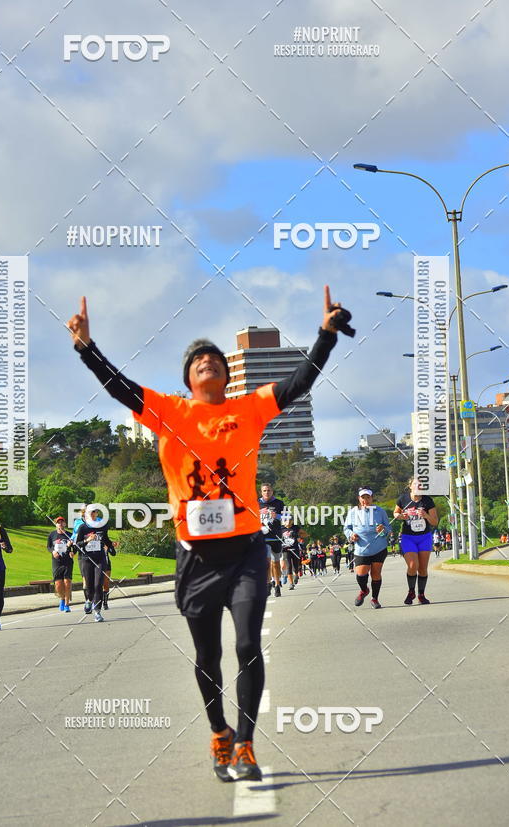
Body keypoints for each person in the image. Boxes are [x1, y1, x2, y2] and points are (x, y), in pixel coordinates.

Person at [67, 286, 347, 782]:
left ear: (227, 373)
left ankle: (245, 744)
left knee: (247, 645)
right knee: (207, 655)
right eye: (197, 359)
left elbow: (300, 380)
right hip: (195, 556)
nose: (206, 360)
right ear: (187, 378)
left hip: (245, 550)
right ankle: (219, 731)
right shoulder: (169, 412)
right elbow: (118, 386)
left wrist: (325, 335)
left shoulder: (250, 408)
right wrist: (86, 347)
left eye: (214, 357)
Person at [394, 478, 438, 605]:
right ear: (410, 486)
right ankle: (411, 591)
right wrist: (400, 516)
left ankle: (421, 595)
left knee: (423, 569)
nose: (418, 486)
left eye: (421, 485)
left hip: (424, 537)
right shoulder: (403, 499)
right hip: (408, 537)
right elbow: (396, 513)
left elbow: (435, 522)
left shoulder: (427, 501)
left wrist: (426, 515)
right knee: (413, 565)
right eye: (416, 484)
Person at [343, 489, 390, 609]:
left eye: (368, 497)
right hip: (361, 549)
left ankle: (375, 599)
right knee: (361, 574)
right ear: (359, 499)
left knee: (376, 573)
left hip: (379, 547)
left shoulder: (380, 511)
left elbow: (389, 528)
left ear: (372, 498)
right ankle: (364, 590)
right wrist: (351, 535)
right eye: (363, 498)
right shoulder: (353, 512)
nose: (365, 500)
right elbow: (346, 528)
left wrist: (383, 529)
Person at [74, 509, 117, 621]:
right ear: (87, 514)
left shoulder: (102, 526)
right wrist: (87, 540)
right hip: (87, 559)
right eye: (91, 513)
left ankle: (97, 612)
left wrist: (112, 545)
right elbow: (77, 545)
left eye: (95, 512)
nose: (93, 514)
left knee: (98, 585)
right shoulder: (83, 527)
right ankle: (89, 600)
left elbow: (106, 539)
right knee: (89, 585)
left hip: (100, 559)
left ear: (97, 514)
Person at [259, 483, 285, 597]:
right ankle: (268, 583)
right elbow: (249, 516)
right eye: (264, 490)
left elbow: (287, 517)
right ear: (261, 492)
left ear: (272, 491)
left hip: (276, 536)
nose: (267, 492)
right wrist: (259, 513)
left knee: (276, 563)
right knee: (267, 561)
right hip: (263, 537)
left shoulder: (279, 503)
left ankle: (277, 584)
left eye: (269, 490)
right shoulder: (256, 503)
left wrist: (277, 516)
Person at [47, 516, 74, 611]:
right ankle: (62, 598)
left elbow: (75, 547)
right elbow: (49, 547)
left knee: (67, 582)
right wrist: (53, 551)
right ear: (56, 524)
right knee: (58, 585)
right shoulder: (52, 535)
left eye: (62, 522)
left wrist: (73, 552)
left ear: (65, 524)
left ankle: (67, 604)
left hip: (67, 561)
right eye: (58, 522)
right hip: (57, 562)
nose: (60, 524)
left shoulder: (69, 535)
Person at [72, 504, 92, 613]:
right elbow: (75, 536)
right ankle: (88, 601)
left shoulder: (97, 521)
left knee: (95, 580)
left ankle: (93, 599)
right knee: (85, 579)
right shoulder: (78, 522)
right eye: (84, 510)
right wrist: (72, 548)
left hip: (95, 554)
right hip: (83, 554)